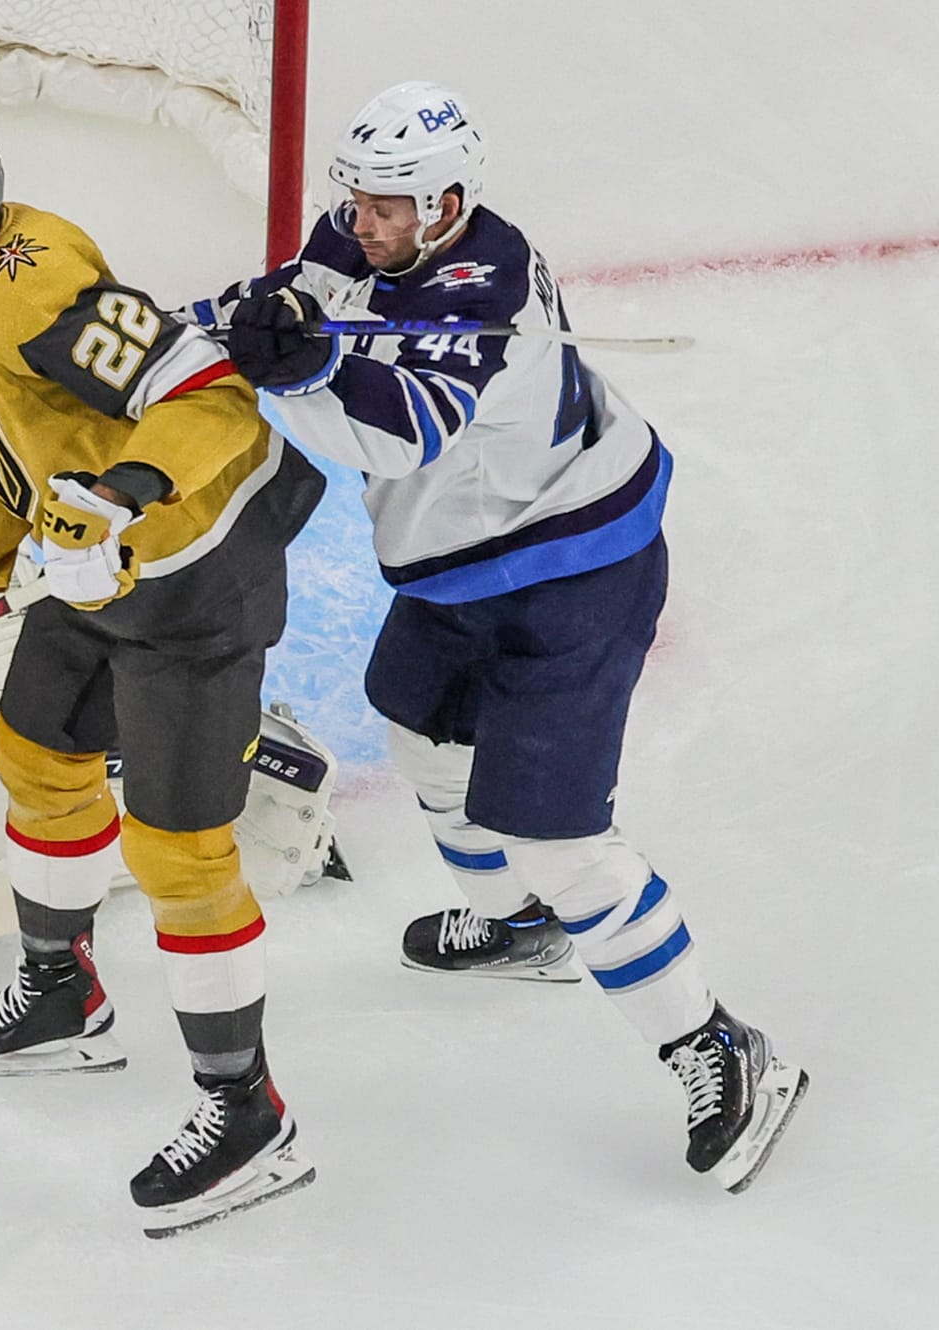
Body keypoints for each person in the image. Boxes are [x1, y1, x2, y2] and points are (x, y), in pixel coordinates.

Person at [196, 81, 807, 1192]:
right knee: (421, 735)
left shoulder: (485, 289)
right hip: (461, 567)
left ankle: (718, 1045)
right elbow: (294, 293)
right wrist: (225, 319)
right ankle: (522, 927)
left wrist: (310, 362)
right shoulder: (370, 227)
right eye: (360, 200)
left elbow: (400, 435)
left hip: (576, 574)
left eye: (390, 207)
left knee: (559, 839)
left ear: (450, 202)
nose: (363, 221)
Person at [0, 110, 329, 1235]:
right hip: (84, 565)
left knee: (178, 847)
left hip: (200, 566)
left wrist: (118, 498)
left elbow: (209, 394)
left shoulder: (37, 280)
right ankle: (63, 992)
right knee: (35, 753)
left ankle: (246, 1111)